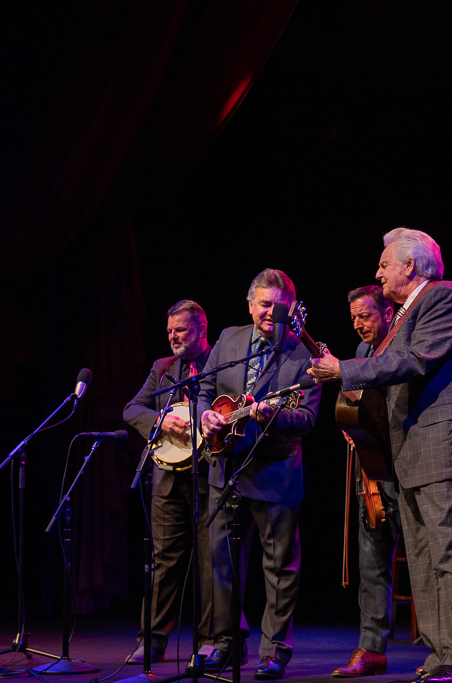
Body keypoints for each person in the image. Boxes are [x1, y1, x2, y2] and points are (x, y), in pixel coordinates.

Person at [308, 228, 452, 683]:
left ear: (409, 266)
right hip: (415, 451)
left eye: (384, 264)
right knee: (423, 558)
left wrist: (345, 370)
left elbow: (414, 360)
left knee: (447, 552)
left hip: (445, 445)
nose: (377, 272)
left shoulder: (443, 297)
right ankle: (439, 656)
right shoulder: (406, 312)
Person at [198, 268, 322, 680]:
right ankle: (226, 643)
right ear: (250, 304)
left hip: (274, 472)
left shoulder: (308, 353)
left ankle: (275, 651)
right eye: (264, 304)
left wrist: (275, 415)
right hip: (226, 466)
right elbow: (204, 389)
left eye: (279, 306)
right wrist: (206, 418)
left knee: (279, 567)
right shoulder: (229, 339)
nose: (271, 312)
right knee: (222, 561)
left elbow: (306, 417)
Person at [123, 300, 214, 663]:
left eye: (181, 330)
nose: (173, 337)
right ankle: (152, 639)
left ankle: (213, 640)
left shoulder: (218, 364)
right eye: (170, 332)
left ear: (201, 330)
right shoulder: (162, 369)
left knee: (212, 559)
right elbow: (132, 408)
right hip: (166, 479)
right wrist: (161, 421)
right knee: (164, 560)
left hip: (208, 474)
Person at [331, 286, 402, 678]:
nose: (359, 325)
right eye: (354, 318)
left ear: (388, 313)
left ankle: (444, 650)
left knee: (426, 562)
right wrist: (351, 425)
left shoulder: (403, 344)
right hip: (373, 473)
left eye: (366, 316)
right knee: (372, 562)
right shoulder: (359, 355)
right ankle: (371, 649)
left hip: (408, 470)